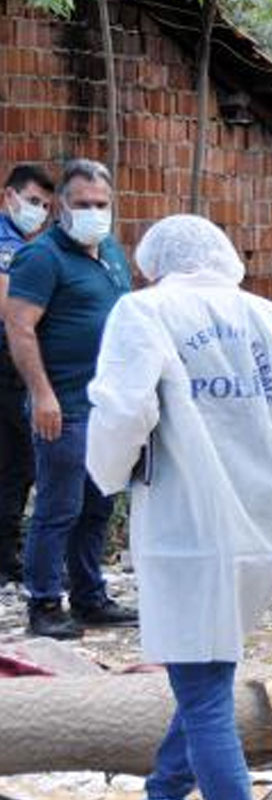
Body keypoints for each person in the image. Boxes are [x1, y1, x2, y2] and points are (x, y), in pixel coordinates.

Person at [86, 214, 272, 800]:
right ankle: (164, 790)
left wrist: (106, 474)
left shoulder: (144, 312)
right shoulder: (269, 319)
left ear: (154, 263)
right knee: (208, 672)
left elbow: (124, 412)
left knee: (204, 694)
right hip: (263, 522)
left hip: (187, 527)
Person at [4, 159, 136, 638]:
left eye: (101, 204)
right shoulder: (41, 258)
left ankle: (89, 596)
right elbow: (19, 328)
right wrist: (42, 394)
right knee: (59, 506)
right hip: (63, 405)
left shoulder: (113, 254)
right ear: (61, 205)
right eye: (82, 204)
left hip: (109, 406)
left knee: (99, 505)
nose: (93, 212)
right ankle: (44, 604)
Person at [0, 164, 54, 585]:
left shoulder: (23, 244)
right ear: (9, 197)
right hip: (7, 361)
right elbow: (10, 311)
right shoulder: (7, 245)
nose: (38, 211)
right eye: (33, 202)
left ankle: (7, 556)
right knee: (20, 460)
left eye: (45, 206)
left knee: (16, 462)